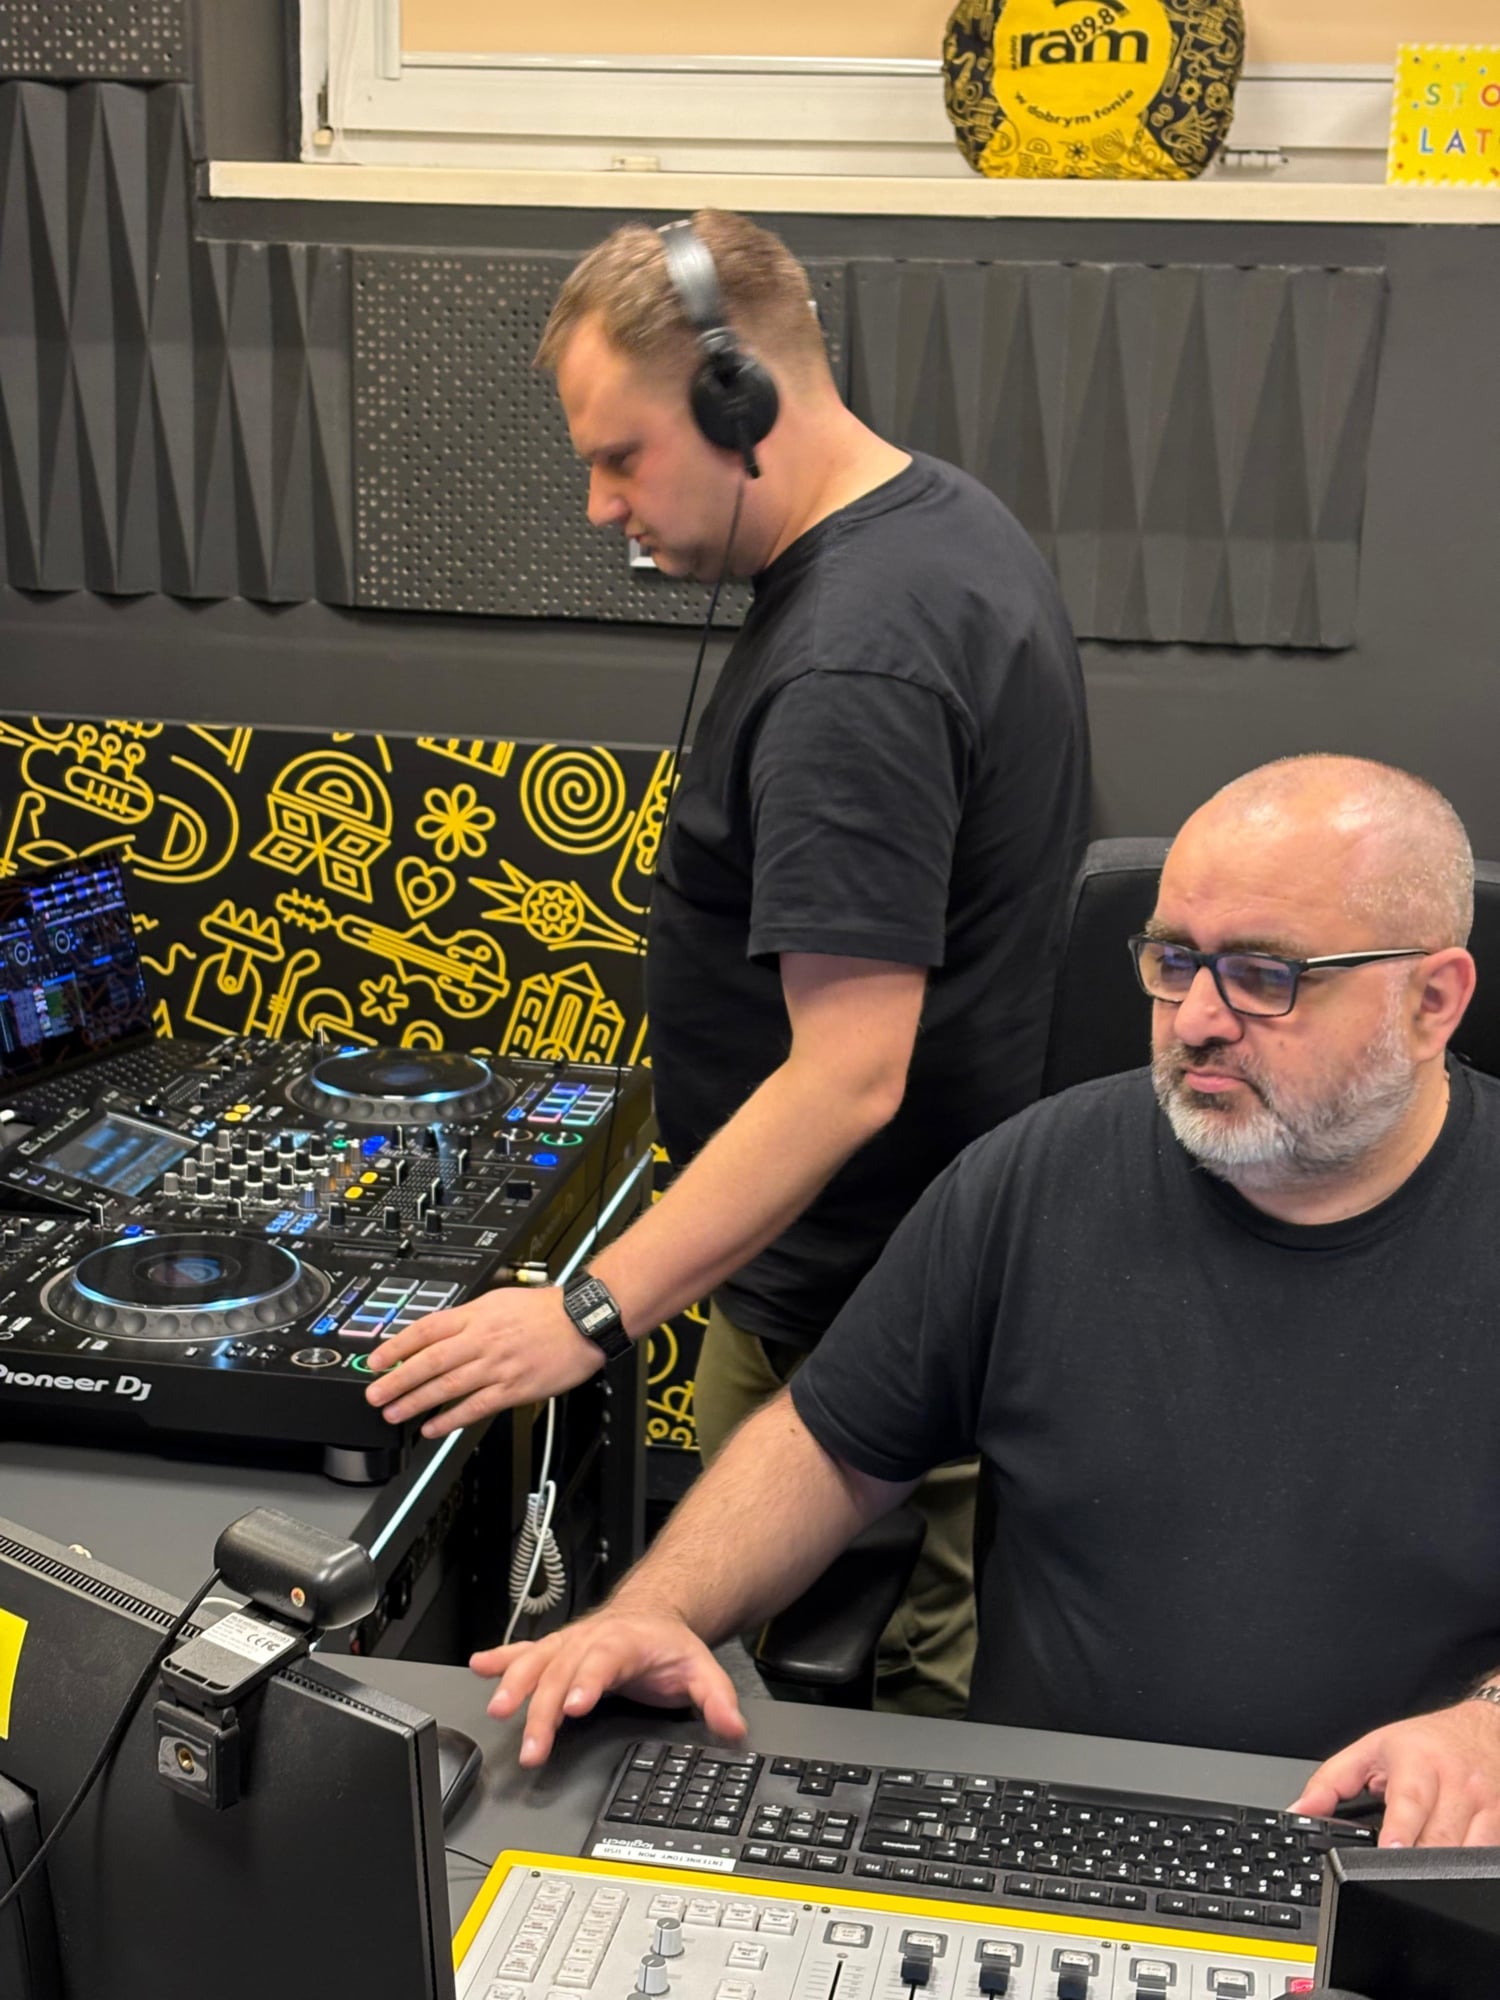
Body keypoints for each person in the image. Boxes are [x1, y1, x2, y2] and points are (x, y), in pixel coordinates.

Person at [464, 755, 1500, 1850]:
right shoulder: (1038, 1175)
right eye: (1174, 960)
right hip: (1046, 1836)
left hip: (1404, 1854)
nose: (1196, 1017)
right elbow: (828, 1445)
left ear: (1431, 1001)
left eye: (1262, 975)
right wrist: (654, 1608)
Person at [364, 210, 1091, 1716]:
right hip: (909, 1277)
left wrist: (584, 1311)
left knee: (865, 1728)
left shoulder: (854, 663)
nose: (599, 505)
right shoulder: (946, 525)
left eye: (620, 457)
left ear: (738, 397)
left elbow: (847, 1079)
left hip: (866, 1318)